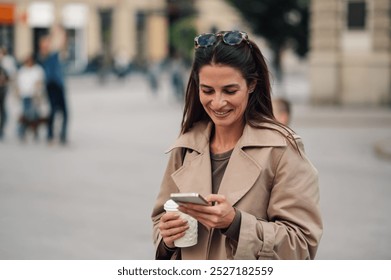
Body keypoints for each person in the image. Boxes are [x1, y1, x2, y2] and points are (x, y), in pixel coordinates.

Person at [151, 31, 322, 260]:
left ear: (251, 85)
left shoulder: (282, 148)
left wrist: (236, 223)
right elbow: (160, 220)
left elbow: (301, 244)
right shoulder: (186, 147)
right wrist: (167, 240)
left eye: (230, 91)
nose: (218, 102)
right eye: (207, 90)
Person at [38, 26, 68, 145]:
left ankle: (60, 135)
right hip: (53, 85)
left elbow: (61, 45)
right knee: (55, 111)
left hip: (57, 84)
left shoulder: (51, 55)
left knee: (62, 112)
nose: (48, 44)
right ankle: (52, 135)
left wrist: (59, 34)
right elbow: (58, 45)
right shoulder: (46, 56)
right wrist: (57, 34)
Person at [16, 54, 45, 141]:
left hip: (34, 96)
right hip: (25, 95)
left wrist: (38, 92)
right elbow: (18, 83)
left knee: (35, 114)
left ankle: (35, 131)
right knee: (25, 114)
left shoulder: (37, 70)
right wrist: (17, 94)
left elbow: (40, 82)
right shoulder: (22, 70)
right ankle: (22, 132)